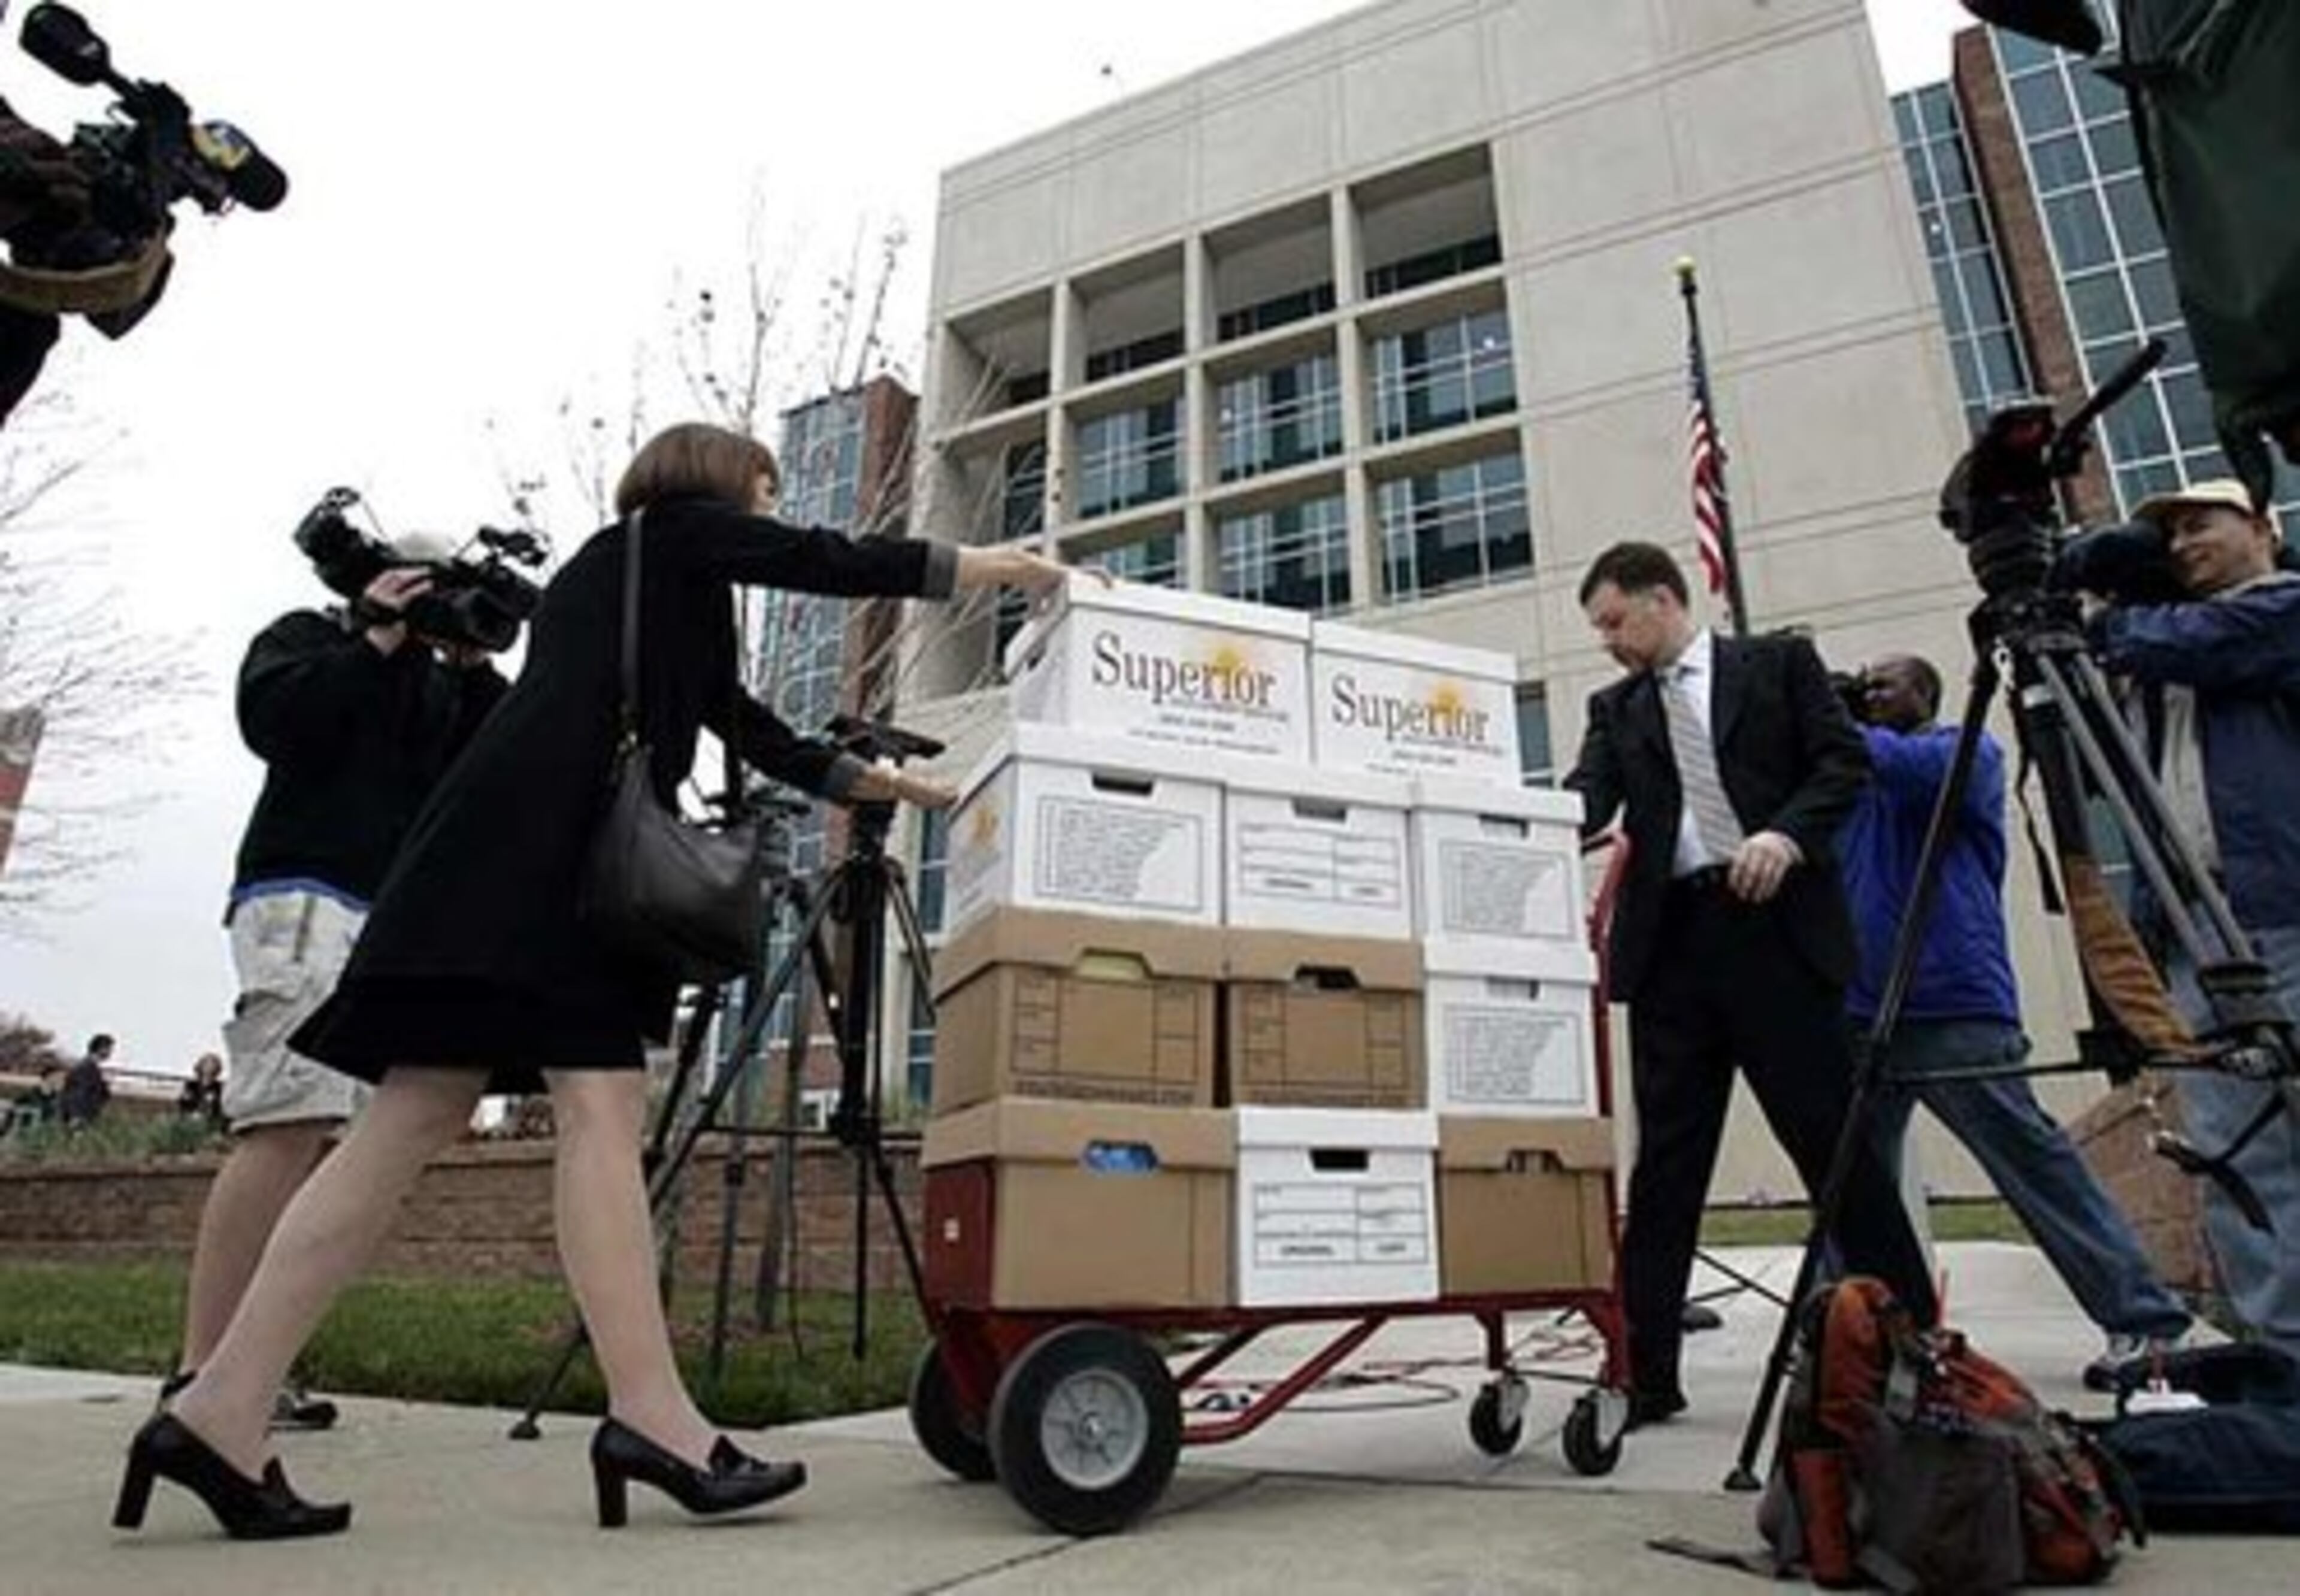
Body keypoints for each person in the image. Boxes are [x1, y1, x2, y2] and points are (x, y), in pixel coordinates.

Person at [118, 421, 1075, 1541]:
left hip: (508, 855)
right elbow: (820, 559)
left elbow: (745, 725)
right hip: (544, 860)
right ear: (713, 484)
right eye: (759, 489)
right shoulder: (658, 536)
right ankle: (650, 1417)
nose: (766, 510)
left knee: (421, 1115)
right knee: (594, 1107)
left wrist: (903, 792)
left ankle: (220, 1407)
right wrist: (986, 566)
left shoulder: (663, 585)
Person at [1563, 541, 1938, 1429]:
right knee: (1665, 1173)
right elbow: (1584, 803)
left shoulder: (1776, 665)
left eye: (1616, 622)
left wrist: (1785, 835)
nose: (1610, 643)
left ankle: (1919, 1347)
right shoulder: (1614, 710)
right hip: (1675, 954)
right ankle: (1644, 1371)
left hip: (1776, 936)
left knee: (1837, 1155)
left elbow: (1841, 765)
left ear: (1662, 598)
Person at [170, 557, 510, 1436]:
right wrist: (373, 637)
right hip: (302, 896)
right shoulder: (311, 639)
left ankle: (251, 1372)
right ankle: (202, 1370)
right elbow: (278, 723)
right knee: (283, 1124)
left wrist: (471, 670)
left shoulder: (440, 686)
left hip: (388, 913)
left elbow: (486, 770)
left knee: (333, 1143)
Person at [1840, 653, 2193, 1389]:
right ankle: (1849, 1333)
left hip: (1953, 1005)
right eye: (1864, 684)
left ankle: (2146, 1322)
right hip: (1862, 1010)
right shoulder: (1857, 781)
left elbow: (1896, 765)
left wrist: (1823, 708)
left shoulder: (1960, 752)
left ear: (1927, 695)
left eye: (1887, 683)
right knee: (1847, 1183)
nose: (1871, 692)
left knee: (2034, 1165)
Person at [2085, 479, 2300, 1365]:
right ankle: (2281, 1347)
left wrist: (2096, 620)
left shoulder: (2275, 610)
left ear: (2262, 526)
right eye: (2166, 533)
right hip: (2194, 928)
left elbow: (2211, 645)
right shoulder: (2165, 646)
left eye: (2198, 524)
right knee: (2230, 1151)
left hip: (2282, 913)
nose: (2180, 544)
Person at [58, 1032, 113, 1126]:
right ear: (101, 1049)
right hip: (79, 1118)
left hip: (84, 1116)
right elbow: (78, 1093)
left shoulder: (91, 1068)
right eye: (109, 1049)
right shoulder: (86, 1068)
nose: (110, 1053)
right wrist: (76, 1116)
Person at [176, 1053, 226, 1129]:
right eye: (207, 1064)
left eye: (213, 1065)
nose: (210, 1068)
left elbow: (219, 1108)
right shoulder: (190, 1085)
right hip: (190, 1120)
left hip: (208, 1123)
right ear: (201, 1066)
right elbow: (182, 1104)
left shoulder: (219, 1088)